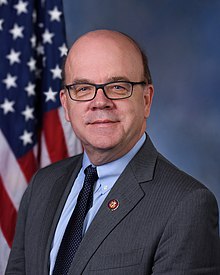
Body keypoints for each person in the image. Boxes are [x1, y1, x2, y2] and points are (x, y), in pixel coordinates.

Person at [6, 29, 220, 275]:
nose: (100, 101)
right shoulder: (42, 186)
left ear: (146, 100)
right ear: (66, 104)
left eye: (118, 86)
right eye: (83, 88)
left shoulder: (186, 205)